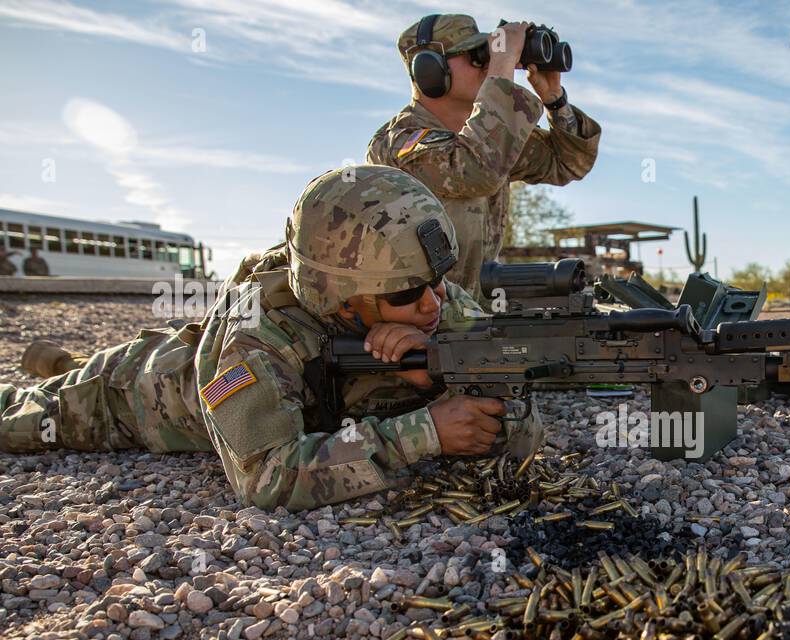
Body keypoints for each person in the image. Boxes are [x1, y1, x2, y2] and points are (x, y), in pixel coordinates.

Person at [0, 165, 541, 511]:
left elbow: (524, 423)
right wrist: (423, 433)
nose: (434, 303)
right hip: (142, 394)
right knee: (27, 417)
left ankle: (63, 360)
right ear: (342, 298)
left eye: (439, 281)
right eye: (407, 294)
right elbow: (264, 477)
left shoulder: (429, 299)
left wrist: (445, 375)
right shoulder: (256, 334)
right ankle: (67, 369)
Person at [367, 13, 600, 299]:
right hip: (417, 319)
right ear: (430, 70)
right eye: (476, 56)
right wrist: (502, 67)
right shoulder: (397, 143)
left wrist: (555, 99)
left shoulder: (487, 136)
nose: (488, 64)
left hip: (472, 318)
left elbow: (567, 164)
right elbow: (476, 169)